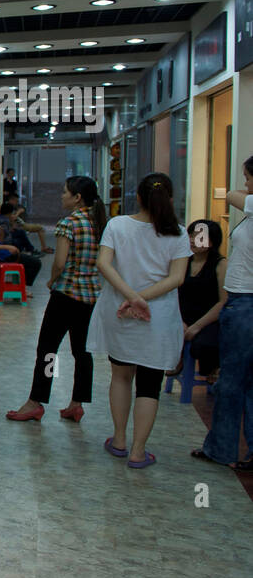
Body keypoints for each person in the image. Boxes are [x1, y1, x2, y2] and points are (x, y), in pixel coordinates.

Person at [86, 173, 191, 468]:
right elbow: (177, 278)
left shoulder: (117, 225)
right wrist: (142, 299)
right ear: (168, 199)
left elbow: (103, 264)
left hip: (120, 312)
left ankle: (118, 440)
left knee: (120, 375)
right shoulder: (178, 233)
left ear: (139, 198)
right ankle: (138, 452)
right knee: (149, 385)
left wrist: (130, 297)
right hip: (157, 317)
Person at [7, 177, 106, 422]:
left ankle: (36, 401)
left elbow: (60, 263)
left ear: (77, 197)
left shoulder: (69, 223)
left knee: (48, 350)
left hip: (66, 296)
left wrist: (52, 281)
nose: (61, 196)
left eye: (65, 192)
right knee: (82, 352)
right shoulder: (101, 223)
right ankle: (76, 403)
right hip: (90, 296)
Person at [195, 156, 253, 471]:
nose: (244, 184)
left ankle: (222, 449)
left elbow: (231, 195)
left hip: (245, 304)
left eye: (248, 177)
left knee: (231, 381)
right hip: (244, 302)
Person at [172, 219, 225, 383]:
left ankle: (213, 369)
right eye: (191, 235)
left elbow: (223, 302)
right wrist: (178, 320)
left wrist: (197, 326)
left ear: (212, 242)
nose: (193, 240)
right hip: (182, 316)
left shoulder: (221, 264)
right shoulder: (182, 261)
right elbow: (173, 292)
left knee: (205, 344)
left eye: (199, 236)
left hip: (209, 318)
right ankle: (176, 358)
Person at [0, 202, 42, 285]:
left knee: (32, 261)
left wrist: (0, 236)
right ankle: (23, 287)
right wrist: (8, 247)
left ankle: (23, 287)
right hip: (0, 256)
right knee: (35, 263)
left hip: (3, 254)